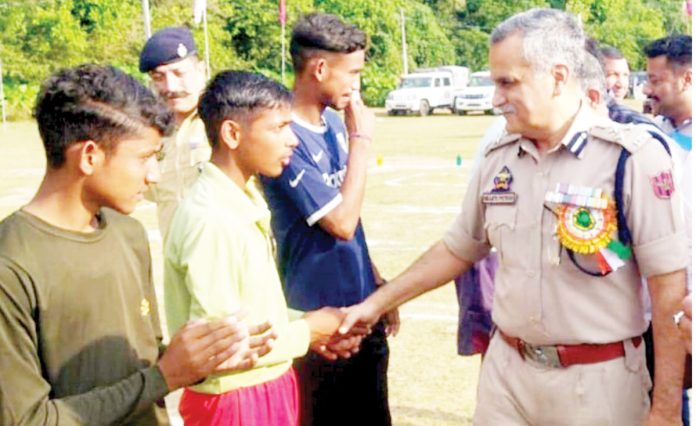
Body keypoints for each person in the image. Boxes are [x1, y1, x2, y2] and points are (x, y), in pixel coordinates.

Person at [341, 8, 688, 425]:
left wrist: (666, 407)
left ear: (558, 77)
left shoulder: (632, 158)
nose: (495, 99)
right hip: (507, 376)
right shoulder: (499, 154)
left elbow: (668, 286)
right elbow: (460, 246)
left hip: (598, 383)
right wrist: (376, 304)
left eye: (508, 83)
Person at [0, 64, 265, 425]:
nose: (153, 175)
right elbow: (28, 420)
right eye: (144, 158)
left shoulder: (129, 234)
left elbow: (142, 363)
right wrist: (165, 376)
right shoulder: (11, 265)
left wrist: (197, 363)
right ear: (89, 156)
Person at [164, 70, 357, 425]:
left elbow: (252, 313)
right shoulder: (212, 218)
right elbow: (222, 347)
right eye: (278, 128)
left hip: (267, 385)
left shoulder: (243, 197)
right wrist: (307, 331)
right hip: (235, 400)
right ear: (232, 134)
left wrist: (309, 325)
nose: (293, 140)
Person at [260, 13, 394, 426]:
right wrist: (362, 140)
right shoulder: (283, 138)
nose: (356, 84)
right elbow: (340, 222)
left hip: (359, 315)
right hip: (320, 329)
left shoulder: (334, 123)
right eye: (352, 72)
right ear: (320, 69)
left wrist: (375, 283)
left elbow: (352, 217)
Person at [643, 33, 693, 425]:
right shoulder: (646, 136)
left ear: (686, 79)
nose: (648, 88)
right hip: (655, 302)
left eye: (657, 80)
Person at [139, 26, 211, 242]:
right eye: (159, 77)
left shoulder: (227, 120)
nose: (170, 86)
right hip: (176, 262)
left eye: (179, 73)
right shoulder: (151, 133)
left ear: (201, 70)